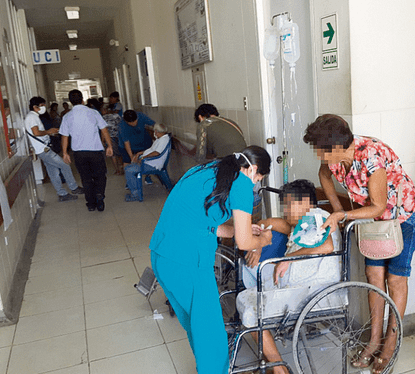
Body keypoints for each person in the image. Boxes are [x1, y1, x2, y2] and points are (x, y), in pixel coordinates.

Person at [303, 114, 415, 374]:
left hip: (402, 217)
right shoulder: (333, 160)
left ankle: (391, 344)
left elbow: (379, 205)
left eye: (321, 151)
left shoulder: (370, 156)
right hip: (371, 221)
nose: (319, 156)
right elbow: (323, 174)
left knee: (396, 279)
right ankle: (373, 341)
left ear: (336, 146)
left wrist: (343, 215)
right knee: (373, 276)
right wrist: (337, 208)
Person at [149, 146, 273, 373]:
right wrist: (263, 240)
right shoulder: (242, 184)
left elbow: (202, 221)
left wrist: (238, 229)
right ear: (253, 169)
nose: (256, 184)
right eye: (259, 178)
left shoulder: (206, 170)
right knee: (210, 332)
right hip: (188, 263)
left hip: (163, 255)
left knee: (197, 326)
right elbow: (245, 244)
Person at [236, 179, 341, 374]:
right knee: (252, 290)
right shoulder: (301, 224)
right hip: (298, 284)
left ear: (306, 204)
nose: (285, 211)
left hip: (312, 289)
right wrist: (258, 243)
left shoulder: (317, 217)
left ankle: (278, 369)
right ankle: (276, 367)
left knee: (253, 311)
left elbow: (327, 247)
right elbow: (267, 224)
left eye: (289, 205)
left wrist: (288, 259)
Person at [60, 89, 114, 212]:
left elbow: (64, 136)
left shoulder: (67, 116)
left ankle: (90, 203)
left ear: (70, 102)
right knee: (100, 175)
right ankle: (99, 195)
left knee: (86, 178)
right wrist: (109, 146)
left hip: (79, 153)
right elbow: (104, 130)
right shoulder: (93, 113)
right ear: (82, 99)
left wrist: (65, 153)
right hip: (95, 151)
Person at [25, 96, 83, 201]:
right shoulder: (32, 117)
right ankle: (74, 187)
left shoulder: (34, 116)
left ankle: (62, 194)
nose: (44, 108)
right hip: (43, 150)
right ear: (35, 107)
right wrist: (49, 131)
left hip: (44, 148)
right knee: (65, 165)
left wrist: (50, 133)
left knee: (53, 172)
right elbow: (36, 133)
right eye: (42, 106)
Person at [124, 123, 172, 201]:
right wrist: (140, 153)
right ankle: (134, 191)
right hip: (148, 162)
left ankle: (135, 195)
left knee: (129, 170)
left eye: (155, 131)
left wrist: (143, 157)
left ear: (156, 131)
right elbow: (151, 150)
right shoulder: (160, 138)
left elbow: (156, 153)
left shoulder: (164, 139)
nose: (154, 133)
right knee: (130, 168)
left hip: (152, 164)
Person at [101, 104, 124, 175]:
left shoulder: (103, 118)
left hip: (110, 138)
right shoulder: (116, 116)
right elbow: (121, 126)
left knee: (113, 155)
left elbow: (103, 131)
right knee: (120, 153)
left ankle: (117, 170)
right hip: (119, 136)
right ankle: (122, 168)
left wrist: (103, 141)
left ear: (105, 110)